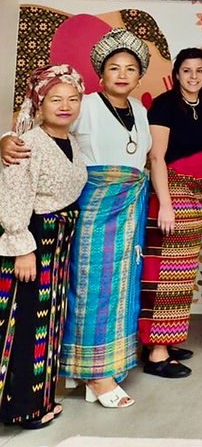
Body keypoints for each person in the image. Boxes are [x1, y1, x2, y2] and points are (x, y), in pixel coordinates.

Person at [0, 64, 87, 428]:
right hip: (33, 239)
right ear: (40, 102)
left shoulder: (71, 140)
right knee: (24, 324)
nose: (65, 106)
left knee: (47, 323)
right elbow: (15, 193)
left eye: (72, 98)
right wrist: (22, 246)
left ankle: (40, 400)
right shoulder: (25, 143)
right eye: (55, 99)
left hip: (59, 241)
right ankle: (21, 408)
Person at [138, 48, 202, 376]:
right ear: (176, 73)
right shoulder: (165, 104)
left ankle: (166, 341)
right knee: (165, 271)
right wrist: (166, 204)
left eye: (200, 71)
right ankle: (155, 352)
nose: (194, 77)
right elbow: (157, 158)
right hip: (171, 194)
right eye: (187, 71)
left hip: (195, 196)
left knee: (182, 273)